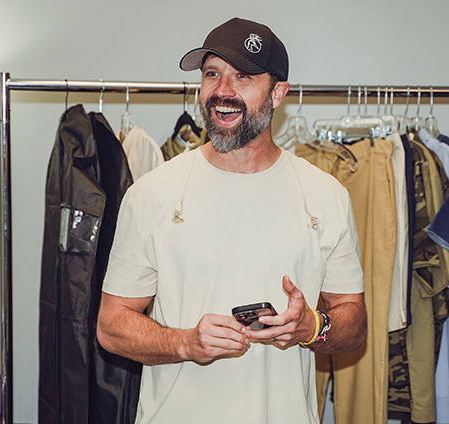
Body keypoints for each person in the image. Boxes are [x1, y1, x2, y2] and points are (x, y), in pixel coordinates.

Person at [97, 17, 367, 423]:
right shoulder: (151, 194)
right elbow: (111, 325)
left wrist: (311, 326)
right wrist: (186, 343)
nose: (223, 91)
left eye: (243, 76)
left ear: (278, 93)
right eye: (212, 74)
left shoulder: (325, 196)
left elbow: (355, 322)